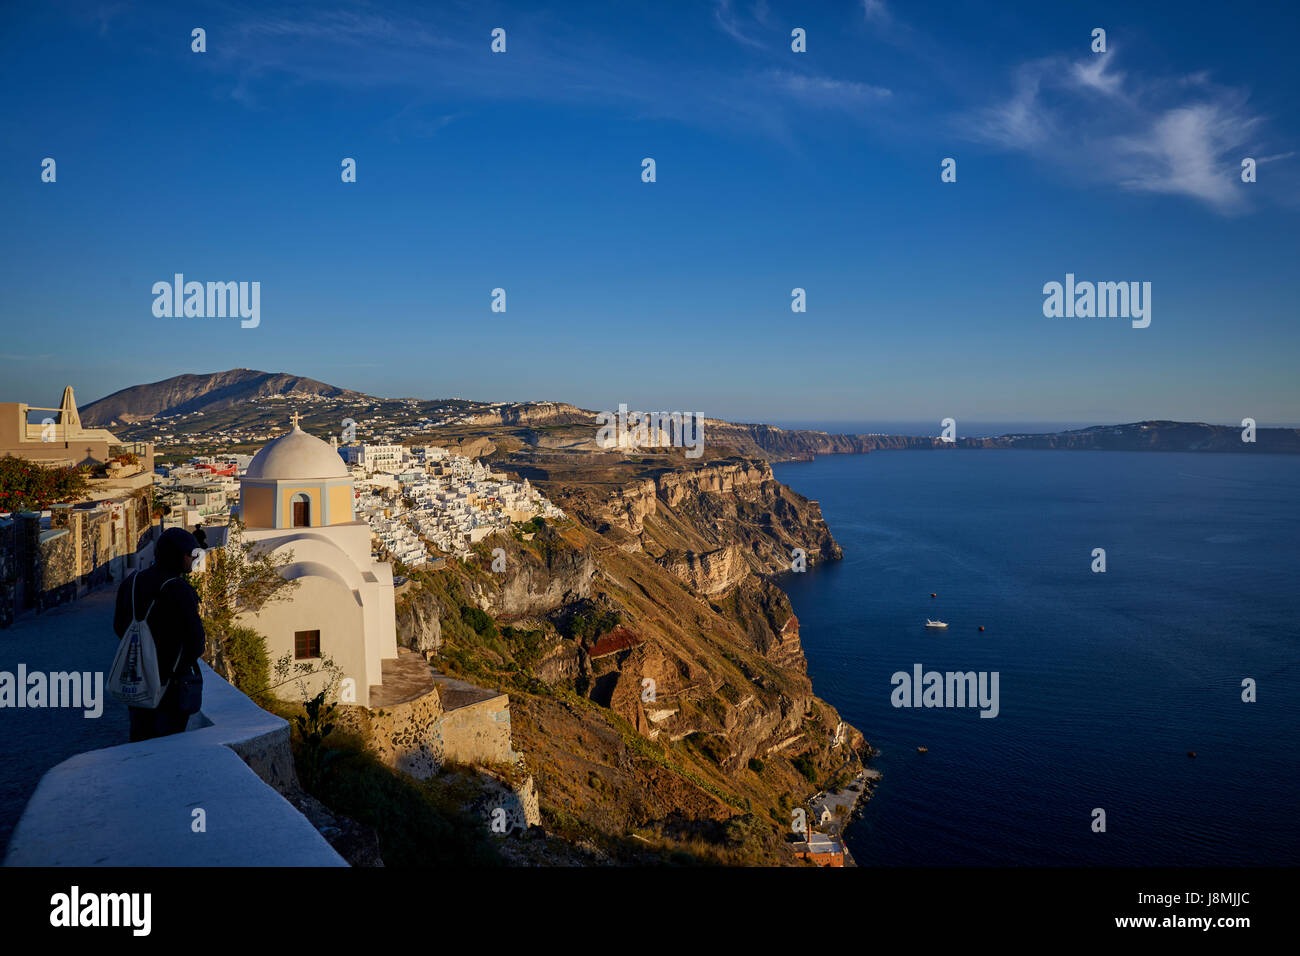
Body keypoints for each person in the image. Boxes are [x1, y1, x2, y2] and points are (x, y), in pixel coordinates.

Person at [113, 527, 206, 742]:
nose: (192, 559)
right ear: (176, 555)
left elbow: (119, 627)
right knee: (168, 741)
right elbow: (195, 640)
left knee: (140, 735)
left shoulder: (132, 582)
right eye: (189, 554)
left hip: (137, 675)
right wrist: (175, 665)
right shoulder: (179, 588)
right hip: (169, 681)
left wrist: (144, 653)